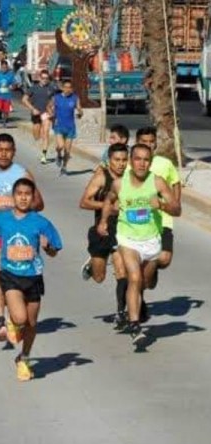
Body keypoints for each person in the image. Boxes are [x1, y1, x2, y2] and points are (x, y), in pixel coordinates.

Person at [98, 144, 181, 347]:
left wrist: (161, 204)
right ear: (130, 161)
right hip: (127, 239)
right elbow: (109, 200)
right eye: (137, 159)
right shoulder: (119, 183)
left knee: (145, 282)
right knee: (134, 278)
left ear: (150, 162)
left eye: (146, 159)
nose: (141, 163)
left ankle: (147, 282)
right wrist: (102, 221)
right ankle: (135, 325)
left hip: (151, 240)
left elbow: (177, 210)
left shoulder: (158, 182)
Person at [0, 178, 63, 381]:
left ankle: (24, 358)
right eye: (19, 193)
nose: (23, 197)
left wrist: (48, 247)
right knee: (20, 318)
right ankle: (12, 322)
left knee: (31, 323)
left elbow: (55, 250)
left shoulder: (41, 222)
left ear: (33, 197)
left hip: (33, 276)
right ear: (13, 196)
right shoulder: (3, 218)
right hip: (10, 275)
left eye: (27, 194)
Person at [0, 134, 44, 342]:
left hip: (17, 234)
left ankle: (15, 316)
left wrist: (16, 206)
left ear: (14, 151)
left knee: (14, 277)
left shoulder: (22, 174)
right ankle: (1, 321)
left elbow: (39, 204)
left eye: (8, 150)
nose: (3, 154)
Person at [79, 143, 130, 328]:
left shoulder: (132, 179)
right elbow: (84, 202)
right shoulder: (101, 177)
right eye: (117, 160)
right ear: (109, 161)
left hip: (123, 231)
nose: (121, 164)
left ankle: (120, 312)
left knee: (122, 271)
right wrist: (108, 207)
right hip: (102, 230)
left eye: (125, 160)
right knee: (99, 278)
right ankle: (93, 263)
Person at [133, 127, 182, 293]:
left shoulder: (165, 164)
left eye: (151, 141)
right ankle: (139, 301)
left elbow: (175, 183)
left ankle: (151, 269)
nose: (148, 144)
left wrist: (174, 203)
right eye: (144, 142)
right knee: (139, 265)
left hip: (163, 218)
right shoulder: (130, 164)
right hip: (139, 220)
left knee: (165, 259)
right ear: (137, 143)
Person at [21, 70, 56, 164]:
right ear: (39, 78)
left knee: (46, 132)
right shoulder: (33, 88)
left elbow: (54, 100)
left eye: (47, 78)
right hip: (36, 113)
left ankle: (44, 155)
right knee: (36, 135)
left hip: (45, 113)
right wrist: (32, 109)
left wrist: (52, 110)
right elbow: (24, 99)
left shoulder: (51, 88)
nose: (45, 80)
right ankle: (41, 140)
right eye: (43, 78)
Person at [49, 80, 83, 176]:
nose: (68, 89)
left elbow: (79, 108)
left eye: (70, 88)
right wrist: (51, 113)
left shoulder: (75, 98)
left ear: (72, 89)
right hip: (59, 125)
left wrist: (80, 113)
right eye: (66, 87)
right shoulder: (56, 98)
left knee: (67, 150)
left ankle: (64, 167)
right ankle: (59, 155)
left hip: (70, 127)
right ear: (62, 88)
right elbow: (48, 106)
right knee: (60, 146)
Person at [0, 60, 17, 127]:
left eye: (5, 67)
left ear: (7, 67)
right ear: (0, 67)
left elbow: (15, 84)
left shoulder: (10, 74)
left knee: (6, 111)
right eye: (2, 67)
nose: (4, 69)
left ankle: (4, 123)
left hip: (7, 96)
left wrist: (13, 87)